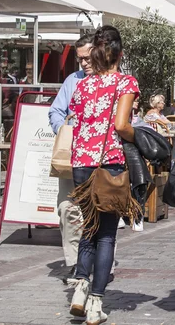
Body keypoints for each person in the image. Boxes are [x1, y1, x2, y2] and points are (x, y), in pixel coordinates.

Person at [68, 26, 140, 324]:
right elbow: (122, 126)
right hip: (109, 162)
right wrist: (141, 139)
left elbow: (75, 118)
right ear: (120, 53)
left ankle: (80, 287)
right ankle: (96, 303)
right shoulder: (125, 82)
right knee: (107, 233)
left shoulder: (83, 85)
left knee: (88, 227)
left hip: (81, 162)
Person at [48, 34, 94, 281]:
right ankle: (76, 263)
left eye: (87, 58)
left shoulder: (109, 81)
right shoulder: (72, 81)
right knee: (67, 208)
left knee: (97, 211)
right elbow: (56, 110)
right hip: (71, 157)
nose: (84, 63)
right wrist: (63, 130)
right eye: (80, 59)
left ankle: (95, 263)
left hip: (98, 157)